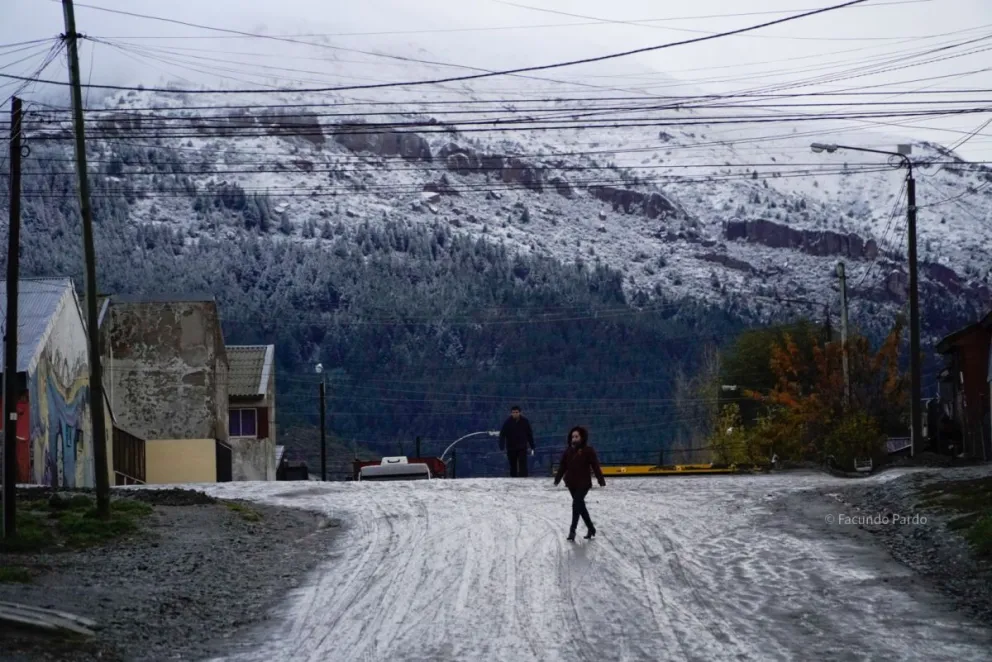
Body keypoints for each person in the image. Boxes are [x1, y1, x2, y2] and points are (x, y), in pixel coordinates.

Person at [553, 425, 605, 542]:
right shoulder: (568, 452)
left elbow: (595, 466)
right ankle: (591, 528)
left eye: (576, 436)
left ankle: (572, 530)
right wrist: (557, 479)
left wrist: (600, 480)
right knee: (580, 506)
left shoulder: (588, 450)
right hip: (571, 483)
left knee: (576, 503)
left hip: (584, 483)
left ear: (582, 437)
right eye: (573, 437)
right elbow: (562, 467)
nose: (574, 439)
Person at [499, 405, 535, 477]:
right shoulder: (507, 422)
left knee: (523, 464)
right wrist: (501, 446)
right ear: (511, 413)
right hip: (511, 447)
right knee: (513, 465)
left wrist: (532, 446)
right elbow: (502, 434)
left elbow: (529, 434)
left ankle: (524, 478)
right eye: (513, 412)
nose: (515, 414)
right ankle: (514, 479)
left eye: (516, 412)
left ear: (520, 412)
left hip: (522, 447)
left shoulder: (525, 421)